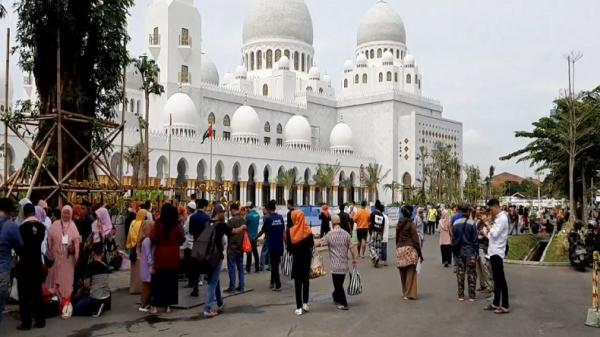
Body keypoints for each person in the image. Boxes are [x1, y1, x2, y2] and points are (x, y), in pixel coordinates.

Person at [203, 204, 246, 318]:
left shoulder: (209, 222)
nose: (224, 214)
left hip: (208, 255)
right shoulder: (221, 225)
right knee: (213, 282)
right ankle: (208, 308)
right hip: (216, 256)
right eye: (223, 212)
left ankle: (220, 303)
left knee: (215, 280)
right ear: (219, 213)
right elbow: (233, 231)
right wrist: (242, 227)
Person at [317, 214, 357, 310]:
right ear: (339, 223)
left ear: (332, 223)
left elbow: (320, 243)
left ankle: (344, 304)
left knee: (338, 285)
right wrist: (354, 259)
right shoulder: (346, 234)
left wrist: (310, 244)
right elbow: (352, 247)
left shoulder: (330, 234)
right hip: (344, 266)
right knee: (339, 284)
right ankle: (336, 297)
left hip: (335, 266)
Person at [150, 204, 184, 313]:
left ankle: (155, 305)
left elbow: (153, 238)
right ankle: (168, 306)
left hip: (161, 255)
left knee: (159, 281)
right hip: (173, 255)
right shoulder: (176, 225)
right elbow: (181, 239)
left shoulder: (158, 224)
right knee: (171, 281)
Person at [16, 203, 45, 330]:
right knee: (37, 293)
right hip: (37, 263)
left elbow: (19, 246)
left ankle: (26, 322)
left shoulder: (21, 228)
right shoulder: (42, 227)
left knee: (24, 295)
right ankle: (40, 320)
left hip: (24, 265)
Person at [45, 205, 80, 300]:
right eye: (64, 213)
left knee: (66, 280)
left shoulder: (73, 226)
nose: (66, 215)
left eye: (68, 213)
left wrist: (74, 250)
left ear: (71, 214)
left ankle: (65, 300)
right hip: (55, 257)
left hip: (67, 260)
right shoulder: (55, 224)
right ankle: (54, 300)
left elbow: (77, 242)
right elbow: (49, 239)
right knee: (55, 278)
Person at [287, 210, 314, 315]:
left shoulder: (290, 231)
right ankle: (305, 303)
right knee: (306, 280)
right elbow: (311, 245)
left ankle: (298, 307)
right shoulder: (308, 230)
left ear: (295, 218)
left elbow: (289, 248)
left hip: (296, 259)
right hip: (306, 259)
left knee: (297, 283)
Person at [485, 199, 510, 314]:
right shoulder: (498, 218)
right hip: (493, 251)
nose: (490, 212)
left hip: (497, 252)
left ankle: (505, 305)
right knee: (496, 279)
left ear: (495, 206)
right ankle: (496, 302)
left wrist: (488, 224)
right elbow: (490, 236)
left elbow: (494, 234)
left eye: (491, 209)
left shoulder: (502, 218)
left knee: (501, 279)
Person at [73, 243, 111, 317]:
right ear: (102, 254)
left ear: (93, 253)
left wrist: (81, 288)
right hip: (106, 295)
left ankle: (96, 307)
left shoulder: (91, 266)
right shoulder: (105, 266)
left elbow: (86, 285)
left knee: (75, 308)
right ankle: (102, 305)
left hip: (95, 297)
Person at [257, 200, 285, 291]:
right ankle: (272, 282)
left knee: (275, 266)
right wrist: (288, 244)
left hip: (272, 246)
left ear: (268, 209)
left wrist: (255, 238)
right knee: (275, 265)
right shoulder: (280, 218)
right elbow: (284, 233)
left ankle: (278, 285)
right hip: (280, 246)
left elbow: (262, 231)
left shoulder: (268, 219)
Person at [396, 206, 423, 300]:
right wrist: (420, 253)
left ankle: (404, 292)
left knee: (402, 272)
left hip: (400, 249)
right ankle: (409, 293)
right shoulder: (411, 225)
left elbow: (396, 238)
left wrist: (398, 248)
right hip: (410, 249)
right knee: (410, 272)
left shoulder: (399, 224)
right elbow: (416, 241)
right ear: (411, 213)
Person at [452, 205, 478, 302]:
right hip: (470, 251)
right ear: (468, 211)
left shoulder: (455, 223)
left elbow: (453, 238)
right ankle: (471, 295)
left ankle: (461, 295)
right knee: (471, 273)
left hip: (459, 252)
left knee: (460, 274)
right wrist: (476, 252)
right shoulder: (472, 223)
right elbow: (475, 240)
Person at [188, 199, 211, 296]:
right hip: (205, 243)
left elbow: (191, 231)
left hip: (196, 243)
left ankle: (195, 289)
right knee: (207, 266)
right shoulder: (207, 217)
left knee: (195, 267)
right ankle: (211, 288)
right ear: (205, 207)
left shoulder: (193, 217)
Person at [126, 209, 148, 295]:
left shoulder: (133, 223)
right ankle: (138, 288)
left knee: (133, 270)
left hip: (133, 248)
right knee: (139, 270)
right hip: (140, 250)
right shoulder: (143, 224)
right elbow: (143, 236)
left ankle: (133, 287)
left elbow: (129, 236)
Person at [225, 203, 246, 293]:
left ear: (233, 210)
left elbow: (227, 232)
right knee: (240, 267)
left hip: (232, 247)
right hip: (241, 246)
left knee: (232, 267)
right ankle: (241, 285)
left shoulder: (231, 221)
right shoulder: (243, 220)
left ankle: (232, 286)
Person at [476, 209, 493, 292]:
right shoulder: (479, 223)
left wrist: (484, 234)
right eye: (480, 214)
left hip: (485, 247)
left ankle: (490, 285)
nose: (481, 216)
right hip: (478, 246)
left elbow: (492, 238)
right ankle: (482, 284)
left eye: (483, 214)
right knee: (479, 267)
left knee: (485, 266)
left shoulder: (489, 225)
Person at [139, 221, 154, 312]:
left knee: (146, 286)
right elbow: (149, 255)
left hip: (144, 266)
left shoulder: (144, 240)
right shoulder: (148, 241)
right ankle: (144, 304)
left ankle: (145, 303)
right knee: (147, 287)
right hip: (147, 267)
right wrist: (151, 265)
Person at [181, 201, 196, 291]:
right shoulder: (193, 217)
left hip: (188, 243)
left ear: (189, 209)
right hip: (193, 242)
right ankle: (193, 281)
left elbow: (185, 229)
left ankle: (191, 281)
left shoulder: (189, 218)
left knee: (188, 264)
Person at [368, 201, 385, 267]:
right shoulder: (382, 216)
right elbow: (383, 227)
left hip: (374, 232)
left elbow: (370, 224)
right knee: (377, 247)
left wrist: (370, 232)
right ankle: (376, 263)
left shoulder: (373, 213)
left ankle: (375, 257)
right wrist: (382, 235)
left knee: (370, 246)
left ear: (375, 206)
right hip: (379, 233)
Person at [245, 202, 261, 274]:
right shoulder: (257, 215)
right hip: (255, 236)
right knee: (255, 253)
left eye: (246, 208)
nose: (246, 209)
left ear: (248, 208)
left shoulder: (248, 216)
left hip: (249, 237)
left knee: (249, 253)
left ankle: (248, 269)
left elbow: (245, 225)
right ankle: (257, 268)